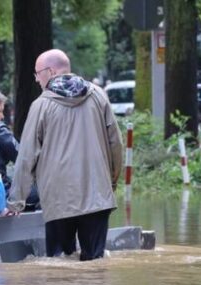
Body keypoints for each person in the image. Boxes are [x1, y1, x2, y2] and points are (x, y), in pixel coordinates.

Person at [7, 49, 123, 261]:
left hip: (58, 200)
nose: (36, 79)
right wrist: (111, 182)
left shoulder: (41, 105)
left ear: (50, 72)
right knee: (95, 263)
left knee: (59, 264)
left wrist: (16, 202)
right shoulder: (98, 95)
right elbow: (116, 143)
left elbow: (26, 157)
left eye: (37, 73)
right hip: (97, 195)